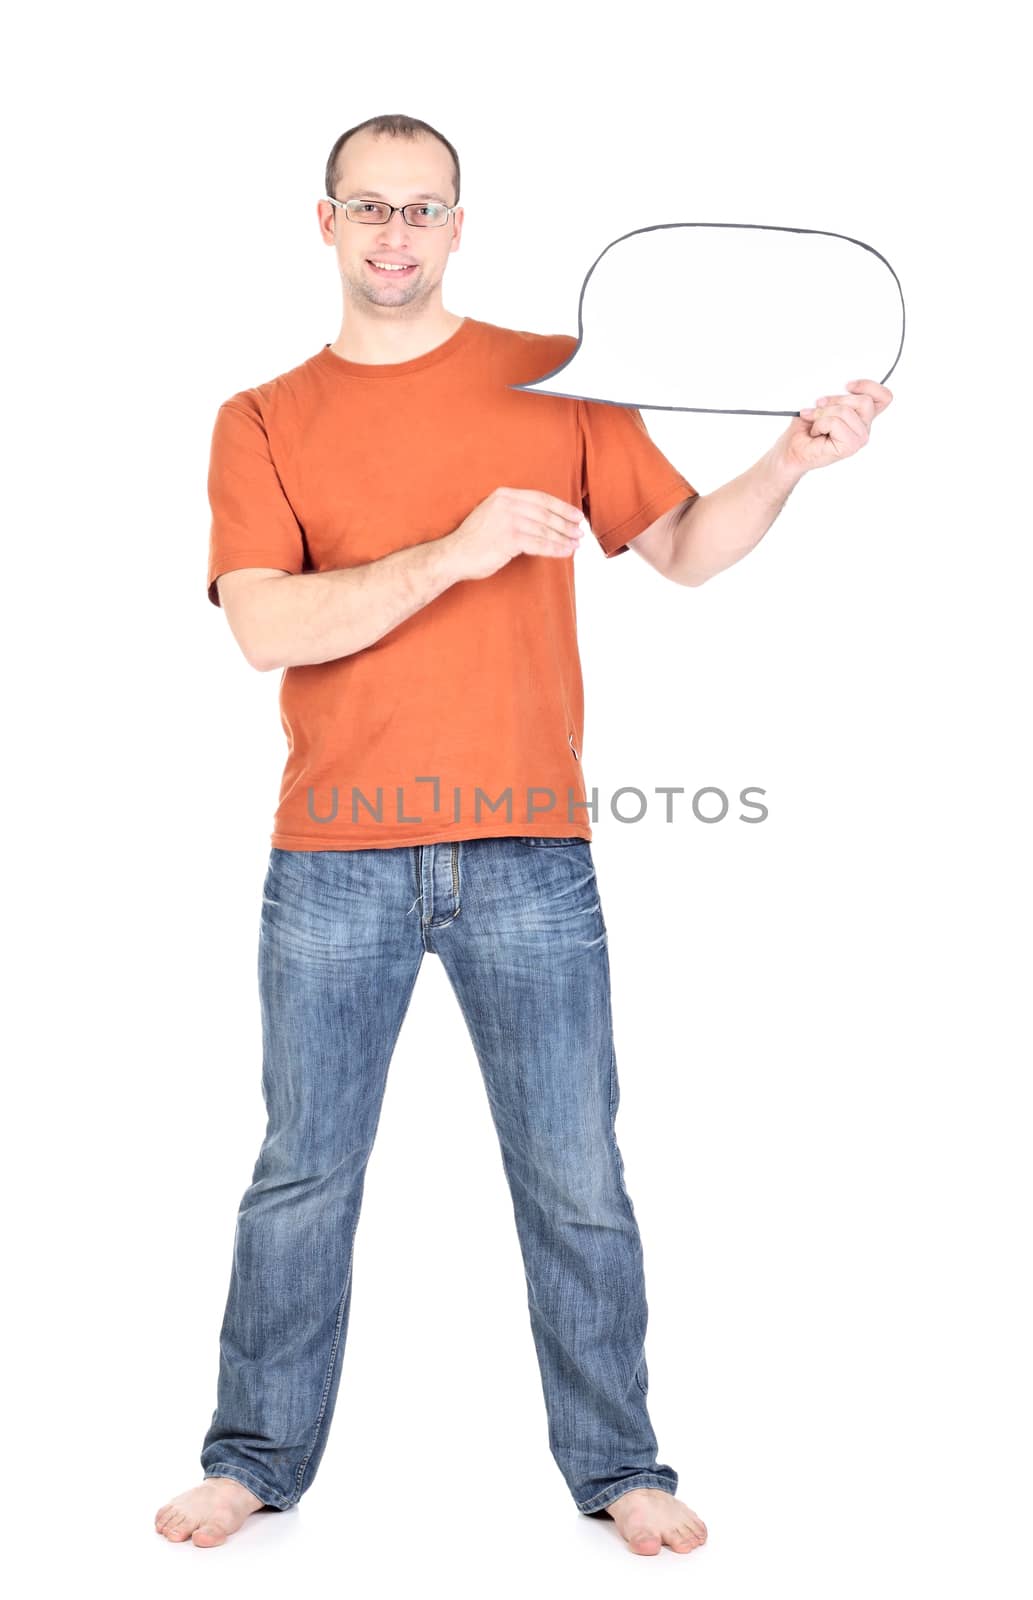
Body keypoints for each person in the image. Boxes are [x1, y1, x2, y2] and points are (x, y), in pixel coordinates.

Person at [157, 110, 890, 1559]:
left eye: (423, 209)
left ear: (458, 224)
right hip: (334, 855)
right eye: (368, 208)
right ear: (324, 224)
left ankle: (618, 1465)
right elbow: (264, 625)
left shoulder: (555, 385)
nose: (395, 236)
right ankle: (251, 1462)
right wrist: (461, 548)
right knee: (304, 1172)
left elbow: (682, 549)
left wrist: (791, 462)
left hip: (529, 854)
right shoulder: (260, 418)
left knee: (574, 1172)